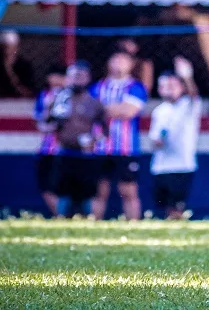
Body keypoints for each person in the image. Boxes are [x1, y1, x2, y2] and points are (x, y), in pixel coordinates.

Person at [91, 48, 148, 220]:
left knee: (128, 190)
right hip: (100, 147)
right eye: (116, 59)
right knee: (99, 190)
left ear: (131, 64)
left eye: (124, 60)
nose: (119, 63)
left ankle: (133, 226)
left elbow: (129, 111)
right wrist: (117, 108)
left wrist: (103, 109)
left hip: (126, 148)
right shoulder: (97, 86)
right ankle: (94, 226)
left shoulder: (136, 87)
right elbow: (89, 111)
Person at [47, 61, 106, 217]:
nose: (76, 80)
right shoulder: (59, 100)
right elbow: (45, 124)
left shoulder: (94, 103)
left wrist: (94, 140)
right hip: (64, 153)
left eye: (80, 76)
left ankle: (91, 221)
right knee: (62, 192)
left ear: (87, 78)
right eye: (73, 76)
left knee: (88, 193)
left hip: (86, 156)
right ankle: (60, 220)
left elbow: (105, 131)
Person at [148, 57, 201, 219]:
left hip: (182, 166)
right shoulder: (159, 111)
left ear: (181, 87)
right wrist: (157, 142)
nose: (168, 90)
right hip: (160, 166)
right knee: (164, 207)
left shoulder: (188, 105)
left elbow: (193, 95)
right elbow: (154, 139)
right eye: (164, 86)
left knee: (177, 206)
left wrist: (187, 75)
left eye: (172, 86)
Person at [34, 64, 68, 216]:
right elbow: (42, 123)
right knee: (46, 186)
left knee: (66, 187)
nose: (57, 80)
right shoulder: (44, 95)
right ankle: (60, 216)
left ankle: (69, 216)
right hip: (48, 149)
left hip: (67, 150)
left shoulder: (70, 96)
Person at [0, 30, 35, 98]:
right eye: (6, 47)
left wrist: (9, 70)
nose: (10, 50)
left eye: (13, 47)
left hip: (18, 101)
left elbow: (28, 91)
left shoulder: (24, 65)